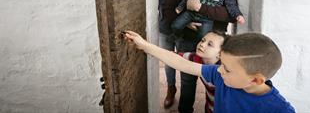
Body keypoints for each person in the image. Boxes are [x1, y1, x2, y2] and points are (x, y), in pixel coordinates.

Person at [122, 31, 295, 113]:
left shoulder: (280, 110)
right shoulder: (221, 76)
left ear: (256, 80)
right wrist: (145, 45)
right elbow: (181, 63)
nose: (219, 69)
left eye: (227, 68)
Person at [163, 0, 238, 113]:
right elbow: (168, 9)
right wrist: (185, 22)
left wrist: (200, 8)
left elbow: (231, 15)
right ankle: (185, 110)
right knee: (187, 80)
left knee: (216, 82)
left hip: (215, 45)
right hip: (187, 40)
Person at [158, 0, 187, 108]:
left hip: (183, 33)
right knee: (169, 62)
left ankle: (185, 93)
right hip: (165, 31)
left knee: (183, 62)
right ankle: (171, 88)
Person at [177, 31, 225, 113]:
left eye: (210, 44)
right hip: (209, 106)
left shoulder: (223, 72)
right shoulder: (198, 58)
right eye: (203, 40)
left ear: (220, 54)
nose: (202, 44)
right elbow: (177, 56)